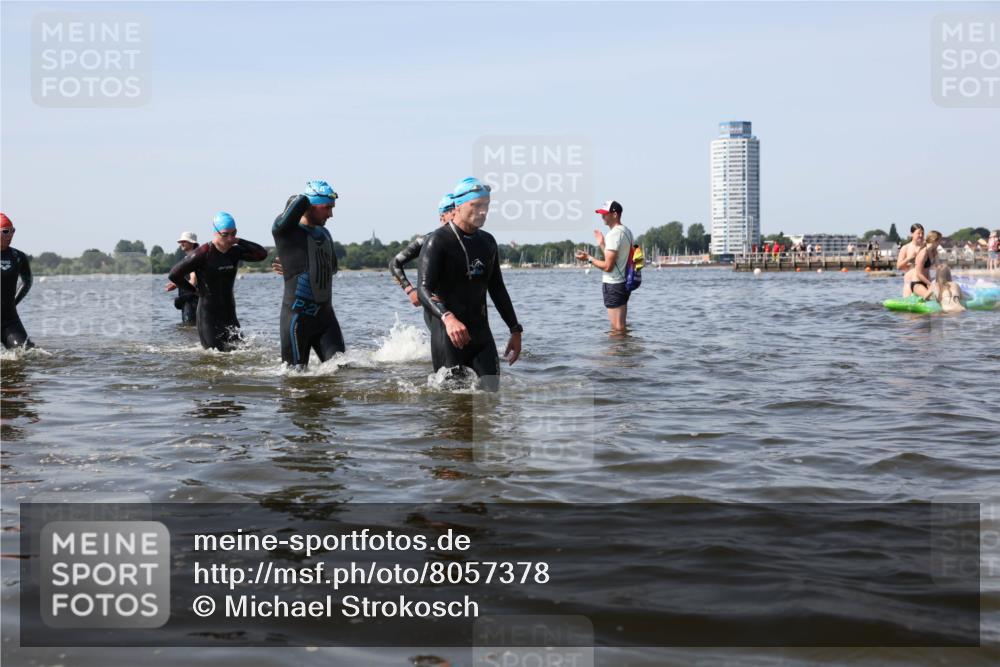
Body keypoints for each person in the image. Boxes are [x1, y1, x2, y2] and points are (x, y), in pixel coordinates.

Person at [417, 177, 522, 391]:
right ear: (458, 206)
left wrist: (515, 329)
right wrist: (448, 318)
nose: (483, 211)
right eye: (476, 205)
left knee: (491, 397)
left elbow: (498, 289)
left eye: (487, 205)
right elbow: (423, 288)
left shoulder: (488, 242)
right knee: (454, 402)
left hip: (482, 336)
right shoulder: (438, 240)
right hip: (450, 337)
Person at [168, 212, 267, 351]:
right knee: (215, 355)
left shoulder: (234, 252)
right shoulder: (203, 253)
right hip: (208, 317)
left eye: (233, 233)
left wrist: (239, 241)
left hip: (229, 314)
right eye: (225, 234)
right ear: (215, 233)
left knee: (242, 353)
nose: (230, 238)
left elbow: (262, 254)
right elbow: (174, 274)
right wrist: (194, 290)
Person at [272, 181, 345, 368]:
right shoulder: (287, 232)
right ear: (310, 206)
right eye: (327, 207)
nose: (331, 214)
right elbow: (297, 202)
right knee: (295, 378)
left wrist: (302, 265)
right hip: (297, 320)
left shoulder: (325, 233)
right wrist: (307, 198)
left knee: (341, 371)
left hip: (326, 319)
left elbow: (332, 268)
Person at [574, 200, 634, 334]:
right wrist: (602, 243)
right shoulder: (627, 231)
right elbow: (615, 260)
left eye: (605, 214)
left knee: (617, 328)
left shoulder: (613, 234)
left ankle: (618, 347)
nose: (602, 217)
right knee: (621, 326)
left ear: (615, 214)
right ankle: (624, 346)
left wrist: (588, 258)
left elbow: (608, 267)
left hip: (614, 285)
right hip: (624, 283)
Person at [390, 195, 455, 307]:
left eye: (459, 211)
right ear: (442, 217)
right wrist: (410, 291)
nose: (456, 216)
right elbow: (394, 263)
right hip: (437, 305)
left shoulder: (471, 240)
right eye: (452, 212)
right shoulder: (427, 240)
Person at [1, 213, 34, 349]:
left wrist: (12, 303)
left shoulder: (18, 257)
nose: (10, 235)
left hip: (9, 320)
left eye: (12, 230)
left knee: (26, 353)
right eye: (5, 231)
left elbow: (27, 281)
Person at [165, 231, 199, 324]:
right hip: (190, 299)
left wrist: (183, 298)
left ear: (192, 243)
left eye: (184, 241)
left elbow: (193, 279)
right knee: (190, 326)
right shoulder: (190, 257)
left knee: (189, 326)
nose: (181, 243)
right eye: (180, 241)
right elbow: (188, 278)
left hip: (192, 300)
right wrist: (176, 284)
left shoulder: (193, 258)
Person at [903, 230, 941, 298]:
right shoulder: (923, 253)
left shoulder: (934, 252)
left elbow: (938, 267)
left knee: (939, 296)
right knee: (931, 298)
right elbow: (919, 274)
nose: (940, 243)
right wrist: (931, 284)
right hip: (917, 283)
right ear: (934, 240)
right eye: (939, 241)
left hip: (927, 282)